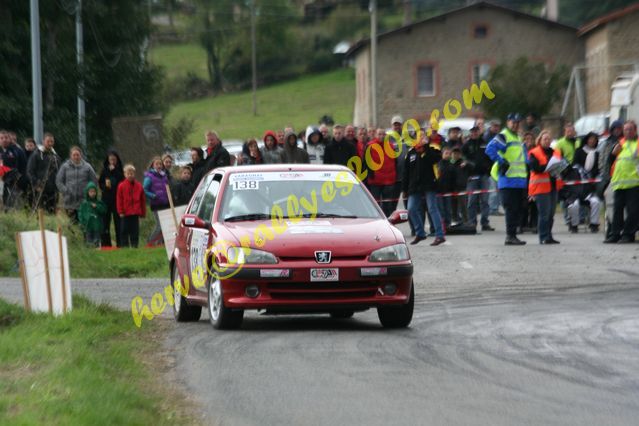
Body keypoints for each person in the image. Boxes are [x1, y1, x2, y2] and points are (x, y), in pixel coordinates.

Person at [486, 113, 528, 245]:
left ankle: (513, 235)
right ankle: (510, 236)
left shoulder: (518, 137)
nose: (515, 125)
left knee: (518, 209)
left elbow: (522, 157)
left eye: (517, 122)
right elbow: (490, 149)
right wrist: (501, 161)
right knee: (511, 208)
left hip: (519, 180)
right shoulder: (504, 135)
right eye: (513, 122)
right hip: (508, 179)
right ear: (508, 122)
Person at [402, 133, 446, 246]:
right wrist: (405, 189)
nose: (421, 138)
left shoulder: (432, 148)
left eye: (423, 136)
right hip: (414, 186)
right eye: (419, 136)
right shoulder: (411, 152)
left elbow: (436, 159)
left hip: (429, 184)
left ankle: (440, 235)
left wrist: (425, 148)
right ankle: (420, 233)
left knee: (432, 208)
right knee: (411, 209)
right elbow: (406, 172)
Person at [604, 121, 639, 243]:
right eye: (625, 129)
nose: (627, 132)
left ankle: (628, 234)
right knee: (617, 210)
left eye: (630, 129)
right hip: (619, 182)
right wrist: (613, 154)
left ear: (635, 130)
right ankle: (615, 234)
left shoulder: (638, 144)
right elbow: (610, 161)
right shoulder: (620, 143)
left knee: (633, 211)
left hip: (634, 183)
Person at [528, 131, 562, 244]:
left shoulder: (555, 152)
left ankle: (549, 235)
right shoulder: (534, 152)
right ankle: (543, 236)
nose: (547, 141)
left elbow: (562, 165)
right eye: (545, 139)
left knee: (551, 214)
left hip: (553, 186)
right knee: (544, 214)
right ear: (540, 140)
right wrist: (548, 166)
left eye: (549, 139)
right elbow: (535, 168)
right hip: (541, 188)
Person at [462, 125, 494, 231]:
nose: (474, 133)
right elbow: (463, 158)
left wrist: (489, 170)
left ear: (479, 132)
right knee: (472, 201)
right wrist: (469, 166)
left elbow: (491, 157)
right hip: (472, 177)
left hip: (484, 175)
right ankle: (472, 222)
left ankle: (485, 223)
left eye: (476, 131)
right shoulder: (466, 145)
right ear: (470, 132)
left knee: (485, 200)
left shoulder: (485, 143)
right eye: (473, 131)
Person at [55, 146, 97, 222]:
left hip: (84, 200)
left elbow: (94, 181)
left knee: (84, 222)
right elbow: (59, 180)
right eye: (74, 155)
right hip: (69, 201)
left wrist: (90, 193)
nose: (76, 157)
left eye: (77, 155)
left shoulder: (87, 167)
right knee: (72, 223)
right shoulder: (65, 166)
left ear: (81, 155)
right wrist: (65, 190)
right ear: (70, 156)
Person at [598, 120, 623, 239]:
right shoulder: (606, 143)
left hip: (623, 178)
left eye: (620, 128)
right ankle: (610, 231)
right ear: (612, 130)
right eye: (615, 128)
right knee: (609, 207)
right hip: (610, 179)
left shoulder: (625, 142)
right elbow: (602, 162)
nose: (618, 130)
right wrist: (606, 177)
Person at [573, 132, 602, 233]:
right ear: (586, 139)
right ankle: (574, 225)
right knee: (574, 204)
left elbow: (598, 169)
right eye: (590, 139)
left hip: (589, 188)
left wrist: (593, 178)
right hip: (577, 187)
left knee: (596, 202)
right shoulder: (579, 151)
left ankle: (594, 224)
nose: (592, 141)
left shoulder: (597, 153)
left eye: (594, 139)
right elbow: (575, 166)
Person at [366, 128, 397, 217]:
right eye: (379, 134)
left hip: (389, 180)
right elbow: (366, 162)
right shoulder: (370, 146)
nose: (381, 136)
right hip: (375, 181)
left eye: (383, 134)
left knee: (388, 206)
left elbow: (395, 161)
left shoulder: (391, 146)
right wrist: (370, 176)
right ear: (376, 135)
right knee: (375, 205)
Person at [27, 133, 61, 213]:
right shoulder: (36, 155)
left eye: (52, 141)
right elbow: (30, 172)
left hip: (53, 191)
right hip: (39, 190)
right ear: (43, 141)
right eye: (48, 141)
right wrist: (36, 185)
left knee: (51, 214)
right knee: (39, 213)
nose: (50, 143)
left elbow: (59, 173)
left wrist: (58, 187)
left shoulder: (56, 157)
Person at [98, 150, 124, 247]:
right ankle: (106, 244)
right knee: (105, 222)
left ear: (117, 160)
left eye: (114, 159)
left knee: (119, 222)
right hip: (106, 199)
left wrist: (115, 171)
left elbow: (123, 180)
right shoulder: (104, 170)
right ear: (108, 160)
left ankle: (120, 244)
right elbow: (100, 183)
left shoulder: (120, 170)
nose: (112, 161)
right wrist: (105, 186)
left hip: (117, 199)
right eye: (110, 159)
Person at [116, 164, 146, 248]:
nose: (130, 175)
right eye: (128, 173)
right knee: (124, 230)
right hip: (125, 213)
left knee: (135, 231)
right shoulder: (121, 186)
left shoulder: (139, 186)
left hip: (135, 212)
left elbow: (142, 200)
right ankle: (125, 246)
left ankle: (134, 246)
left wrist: (143, 213)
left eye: (132, 173)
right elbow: (119, 200)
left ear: (134, 174)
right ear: (125, 174)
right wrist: (120, 211)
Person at [143, 156, 170, 246]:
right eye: (157, 164)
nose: (159, 166)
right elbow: (144, 190)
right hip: (156, 204)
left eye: (160, 164)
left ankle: (160, 243)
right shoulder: (149, 176)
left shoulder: (164, 176)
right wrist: (153, 196)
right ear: (152, 165)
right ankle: (150, 242)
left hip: (165, 204)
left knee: (165, 225)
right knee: (159, 225)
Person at [78, 182, 107, 247]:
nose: (92, 193)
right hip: (87, 226)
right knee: (88, 242)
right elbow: (80, 214)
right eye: (91, 192)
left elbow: (104, 211)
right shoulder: (84, 204)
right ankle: (90, 254)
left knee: (96, 242)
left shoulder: (99, 202)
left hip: (97, 226)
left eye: (94, 191)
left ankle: (97, 253)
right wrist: (82, 223)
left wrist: (97, 206)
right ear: (87, 192)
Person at [520, 132, 538, 233]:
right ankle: (523, 224)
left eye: (531, 138)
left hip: (534, 177)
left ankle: (534, 224)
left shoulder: (536, 149)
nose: (529, 141)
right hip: (524, 177)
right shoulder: (521, 149)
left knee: (534, 202)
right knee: (524, 202)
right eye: (527, 138)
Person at [437, 147, 455, 229]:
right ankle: (442, 225)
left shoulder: (451, 165)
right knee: (441, 210)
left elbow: (453, 178)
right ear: (442, 154)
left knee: (448, 209)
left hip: (448, 191)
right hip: (439, 191)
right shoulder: (438, 164)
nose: (448, 155)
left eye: (449, 154)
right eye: (446, 153)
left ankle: (448, 224)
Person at [450, 147, 468, 225]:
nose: (456, 155)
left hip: (461, 187)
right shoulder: (450, 163)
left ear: (460, 154)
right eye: (454, 153)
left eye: (457, 153)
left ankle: (466, 221)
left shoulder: (463, 163)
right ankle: (454, 220)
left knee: (463, 206)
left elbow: (472, 167)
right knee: (453, 206)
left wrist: (466, 163)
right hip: (452, 187)